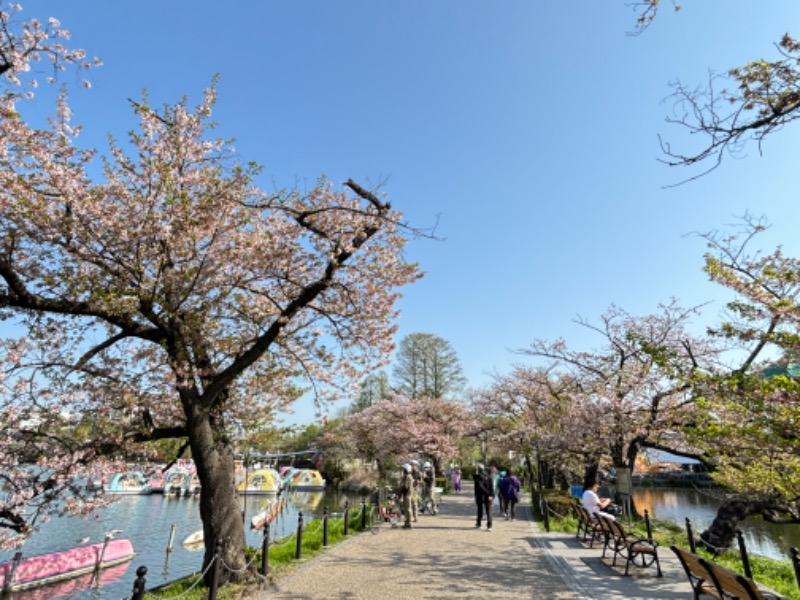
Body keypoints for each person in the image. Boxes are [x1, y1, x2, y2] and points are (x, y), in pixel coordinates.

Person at [473, 463, 494, 531]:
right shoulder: (489, 476)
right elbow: (492, 487)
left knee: (480, 510)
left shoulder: (478, 476)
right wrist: (491, 495)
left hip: (480, 495)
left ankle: (479, 523)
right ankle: (489, 526)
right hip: (488, 496)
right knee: (489, 510)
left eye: (477, 468)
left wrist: (487, 493)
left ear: (479, 469)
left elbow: (479, 486)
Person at [399, 463, 416, 529]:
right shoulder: (406, 476)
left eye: (404, 469)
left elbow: (405, 487)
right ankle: (406, 522)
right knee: (406, 509)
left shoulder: (408, 477)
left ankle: (409, 523)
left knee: (408, 509)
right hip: (406, 494)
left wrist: (400, 489)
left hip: (408, 495)